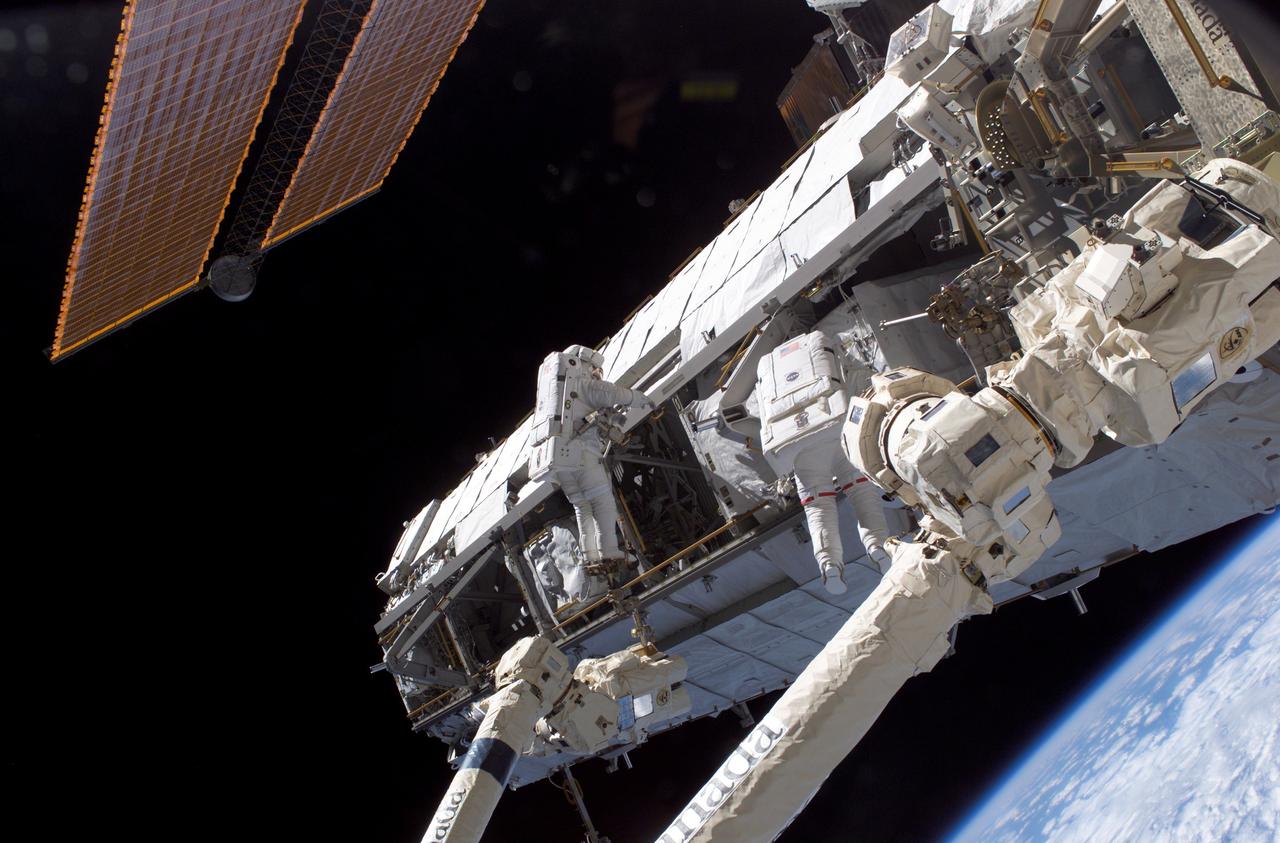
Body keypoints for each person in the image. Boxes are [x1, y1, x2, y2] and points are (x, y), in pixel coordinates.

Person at [756, 331, 891, 594]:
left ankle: (829, 563)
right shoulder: (818, 340)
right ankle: (877, 546)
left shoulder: (767, 370)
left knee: (819, 510)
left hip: (797, 447)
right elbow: (850, 374)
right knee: (862, 493)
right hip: (834, 430)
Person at [530, 345, 653, 571]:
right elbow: (612, 393)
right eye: (594, 370)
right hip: (582, 455)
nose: (596, 374)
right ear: (585, 364)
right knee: (602, 502)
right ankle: (610, 552)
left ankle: (591, 556)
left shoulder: (554, 396)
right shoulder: (582, 384)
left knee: (583, 507)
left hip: (560, 459)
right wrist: (641, 399)